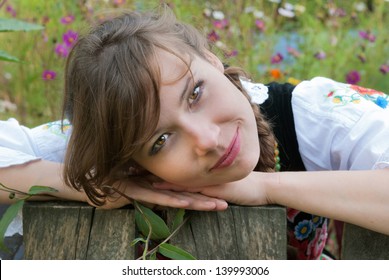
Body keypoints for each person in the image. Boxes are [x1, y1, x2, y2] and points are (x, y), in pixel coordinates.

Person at [1, 6, 389, 260]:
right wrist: (91, 184)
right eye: (160, 141)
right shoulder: (110, 147)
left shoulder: (314, 112)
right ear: (130, 162)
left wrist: (264, 188)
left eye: (196, 93)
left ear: (210, 58)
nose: (205, 140)